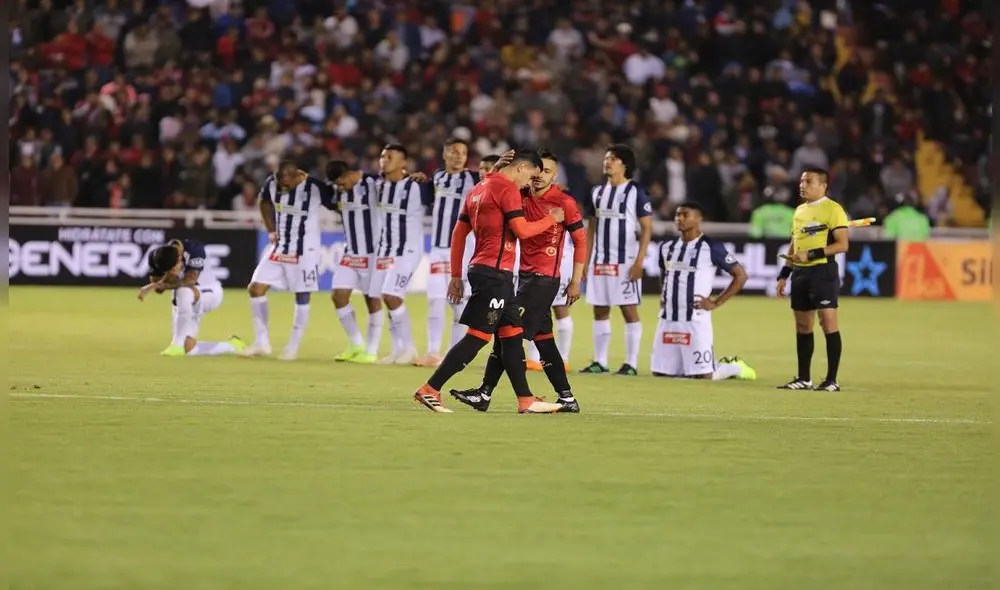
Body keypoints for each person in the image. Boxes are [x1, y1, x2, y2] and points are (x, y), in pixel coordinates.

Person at [412, 150, 566, 414]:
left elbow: (459, 233)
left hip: (486, 271)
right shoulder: (506, 189)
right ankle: (430, 389)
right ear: (521, 168)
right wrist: (552, 218)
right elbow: (522, 231)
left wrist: (457, 274)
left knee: (512, 335)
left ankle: (525, 399)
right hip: (494, 274)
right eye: (530, 175)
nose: (529, 183)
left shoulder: (478, 188)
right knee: (479, 335)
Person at [450, 150, 588, 413]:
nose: (538, 177)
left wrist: (576, 280)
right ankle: (567, 398)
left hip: (543, 280)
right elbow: (495, 185)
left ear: (554, 175)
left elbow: (580, 241)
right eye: (537, 171)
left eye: (546, 172)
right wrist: (496, 169)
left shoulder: (563, 202)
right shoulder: (519, 194)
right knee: (544, 340)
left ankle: (485, 392)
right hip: (522, 278)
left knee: (506, 337)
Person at [242, 161, 337, 360]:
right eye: (279, 184)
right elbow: (263, 201)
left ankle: (292, 347)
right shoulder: (272, 183)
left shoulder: (314, 187)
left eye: (286, 183)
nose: (282, 187)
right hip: (280, 246)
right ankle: (262, 342)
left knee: (302, 295)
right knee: (255, 288)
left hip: (305, 250)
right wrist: (270, 229)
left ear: (295, 176)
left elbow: (338, 205)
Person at [650, 203, 755, 380]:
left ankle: (735, 368)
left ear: (699, 219)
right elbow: (664, 272)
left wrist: (715, 302)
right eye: (677, 215)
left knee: (704, 376)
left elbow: (741, 276)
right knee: (660, 373)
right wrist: (664, 295)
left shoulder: (711, 247)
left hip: (695, 318)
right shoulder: (666, 247)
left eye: (685, 215)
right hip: (668, 317)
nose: (679, 218)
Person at [580, 144, 653, 376]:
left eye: (612, 158)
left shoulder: (636, 192)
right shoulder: (596, 192)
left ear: (625, 164)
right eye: (606, 158)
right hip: (600, 261)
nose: (607, 161)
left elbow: (646, 228)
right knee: (600, 310)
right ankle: (600, 361)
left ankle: (630, 363)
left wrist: (639, 262)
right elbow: (591, 229)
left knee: (628, 310)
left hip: (625, 262)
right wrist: (584, 262)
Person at [776, 167, 850, 391]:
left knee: (827, 323)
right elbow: (794, 242)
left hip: (822, 272)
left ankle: (832, 380)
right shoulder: (799, 210)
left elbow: (842, 244)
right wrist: (784, 274)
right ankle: (803, 378)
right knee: (802, 326)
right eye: (801, 181)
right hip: (800, 273)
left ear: (823, 185)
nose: (802, 185)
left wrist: (810, 254)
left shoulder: (833, 209)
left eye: (808, 181)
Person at [415, 138, 480, 367]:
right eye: (454, 152)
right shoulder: (437, 178)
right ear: (444, 154)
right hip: (437, 249)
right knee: (434, 300)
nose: (459, 156)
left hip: (462, 251)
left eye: (463, 152)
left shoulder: (474, 179)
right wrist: (422, 181)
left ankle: (455, 355)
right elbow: (428, 201)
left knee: (458, 303)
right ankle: (432, 352)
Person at [367, 144, 425, 365]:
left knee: (392, 296)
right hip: (385, 250)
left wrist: (424, 178)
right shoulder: (378, 185)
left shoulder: (416, 185)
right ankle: (397, 349)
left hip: (407, 250)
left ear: (403, 164)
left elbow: (436, 192)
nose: (384, 159)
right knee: (383, 297)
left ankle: (409, 348)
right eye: (382, 156)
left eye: (389, 156)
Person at [138, 239, 246, 356]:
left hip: (209, 292)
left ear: (180, 259)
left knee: (183, 291)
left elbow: (190, 281)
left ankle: (176, 345)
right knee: (189, 349)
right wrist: (164, 279)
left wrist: (158, 284)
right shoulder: (157, 256)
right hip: (183, 302)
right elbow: (159, 289)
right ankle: (232, 346)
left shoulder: (194, 250)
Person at [325, 160, 384, 363]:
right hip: (351, 253)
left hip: (374, 254)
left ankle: (371, 350)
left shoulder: (375, 183)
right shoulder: (338, 191)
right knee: (338, 296)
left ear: (351, 174)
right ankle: (356, 344)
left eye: (342, 182)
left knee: (372, 300)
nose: (340, 187)